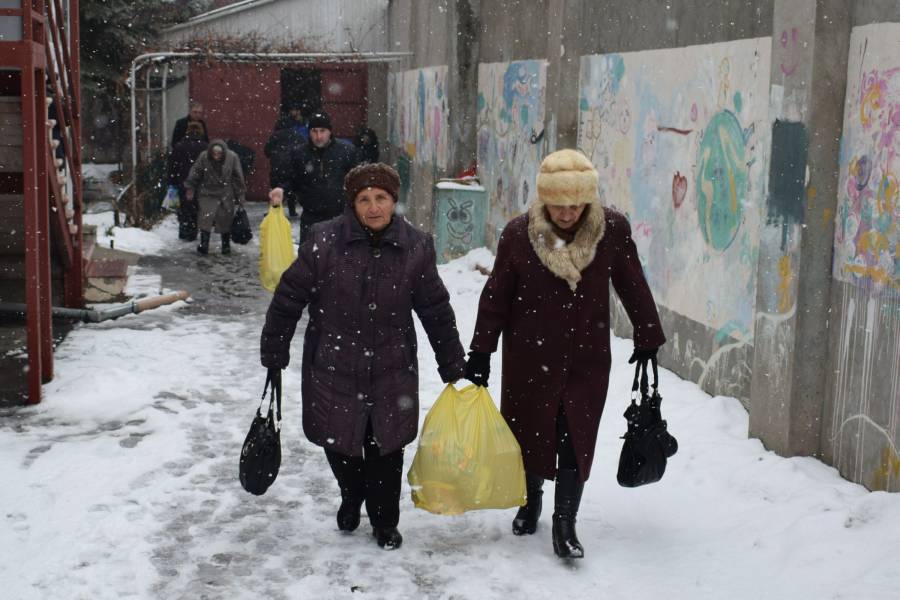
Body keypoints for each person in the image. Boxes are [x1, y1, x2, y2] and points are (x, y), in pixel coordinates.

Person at [464, 149, 666, 559]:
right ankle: (530, 498)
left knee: (576, 436)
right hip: (528, 356)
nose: (568, 212)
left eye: (576, 204)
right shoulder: (520, 234)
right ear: (545, 199)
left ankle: (565, 523)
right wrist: (481, 351)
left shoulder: (611, 229)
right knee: (529, 432)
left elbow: (632, 283)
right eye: (559, 204)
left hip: (586, 356)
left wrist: (648, 336)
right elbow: (496, 297)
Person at [260, 163, 466, 550]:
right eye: (364, 199)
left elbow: (435, 308)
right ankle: (352, 495)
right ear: (352, 204)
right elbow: (289, 297)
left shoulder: (415, 247)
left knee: (386, 448)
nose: (373, 207)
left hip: (392, 368)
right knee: (340, 444)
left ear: (393, 201)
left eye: (381, 198)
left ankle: (385, 521)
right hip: (334, 365)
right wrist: (274, 350)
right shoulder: (324, 243)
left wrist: (453, 361)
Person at [269, 111, 361, 244]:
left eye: (322, 131)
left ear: (330, 131)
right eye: (314, 131)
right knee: (309, 260)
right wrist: (282, 190)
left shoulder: (347, 151)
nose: (318, 136)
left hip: (340, 217)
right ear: (309, 132)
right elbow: (293, 180)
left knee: (340, 261)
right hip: (311, 218)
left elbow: (357, 181)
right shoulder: (299, 153)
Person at [184, 139, 246, 256]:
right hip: (207, 192)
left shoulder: (232, 157)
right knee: (205, 218)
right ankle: (204, 245)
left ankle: (226, 246)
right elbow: (196, 172)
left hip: (225, 193)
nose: (216, 156)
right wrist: (190, 187)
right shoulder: (204, 156)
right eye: (214, 154)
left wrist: (241, 195)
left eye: (219, 154)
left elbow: (238, 177)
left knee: (226, 219)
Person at [167, 121, 207, 241]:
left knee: (184, 208)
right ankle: (193, 230)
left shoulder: (180, 146)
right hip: (200, 182)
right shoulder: (205, 147)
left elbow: (172, 166)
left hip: (182, 181)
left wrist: (172, 182)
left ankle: (184, 230)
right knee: (196, 207)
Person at [264, 111, 307, 217]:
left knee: (276, 188)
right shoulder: (298, 136)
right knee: (290, 187)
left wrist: (274, 157)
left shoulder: (275, 136)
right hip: (292, 166)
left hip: (277, 167)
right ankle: (292, 211)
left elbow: (267, 151)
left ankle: (275, 210)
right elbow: (304, 150)